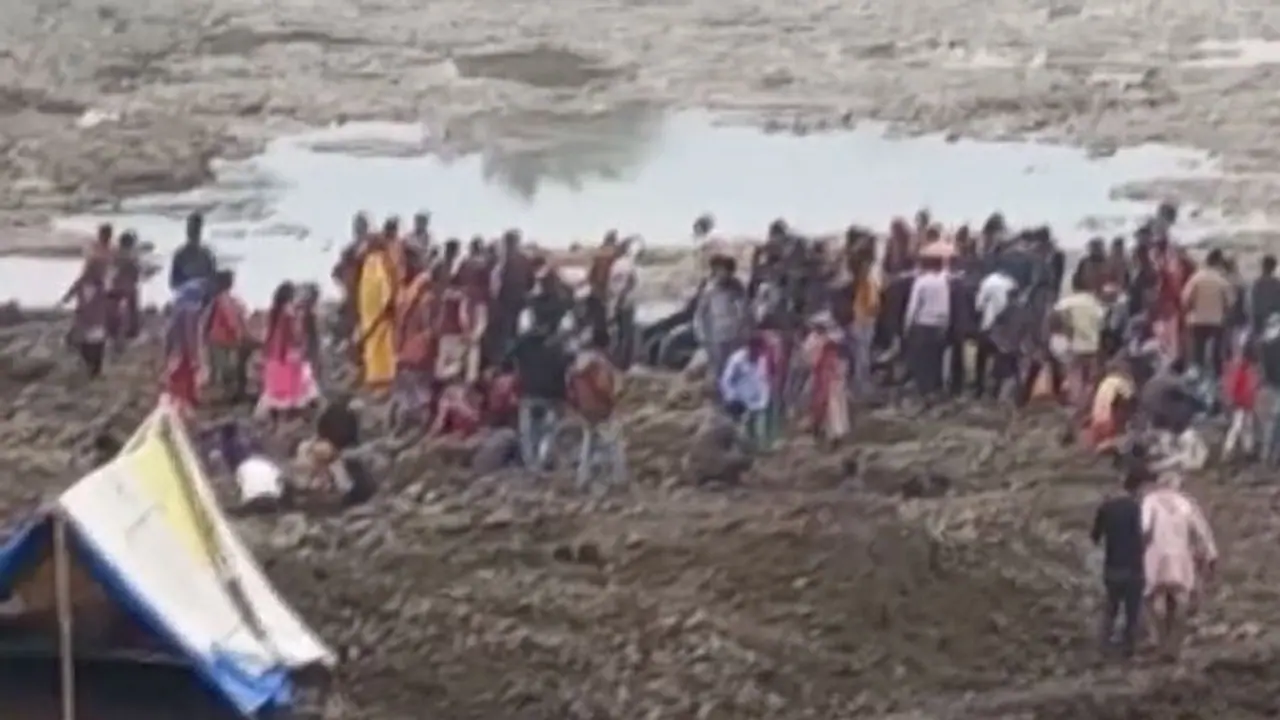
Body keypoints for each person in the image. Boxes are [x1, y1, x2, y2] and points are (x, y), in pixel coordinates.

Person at [1141, 472, 1218, 657]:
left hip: (1157, 554)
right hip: (1180, 554)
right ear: (1177, 485)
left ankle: (1161, 640)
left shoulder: (1150, 500)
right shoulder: (1186, 503)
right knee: (1181, 596)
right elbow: (1201, 529)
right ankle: (1175, 644)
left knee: (1158, 596)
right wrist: (1211, 552)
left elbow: (1144, 528)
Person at [1090, 463, 1150, 658]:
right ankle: (1128, 648)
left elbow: (1094, 537)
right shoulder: (1139, 510)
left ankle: (1104, 645)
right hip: (1134, 566)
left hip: (1112, 565)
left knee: (1111, 606)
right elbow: (1146, 536)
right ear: (1139, 488)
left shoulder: (1107, 507)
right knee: (1133, 611)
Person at [503, 314, 571, 471]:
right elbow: (566, 366)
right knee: (549, 431)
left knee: (528, 433)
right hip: (553, 396)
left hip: (530, 393)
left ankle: (531, 465)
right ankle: (542, 459)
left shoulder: (522, 344)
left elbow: (505, 359)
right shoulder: (556, 346)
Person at [566, 332, 626, 488]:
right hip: (602, 408)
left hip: (585, 410)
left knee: (588, 442)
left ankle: (583, 477)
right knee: (614, 441)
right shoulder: (599, 364)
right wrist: (613, 402)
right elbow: (603, 386)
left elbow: (570, 389)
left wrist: (577, 406)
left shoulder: (576, 365)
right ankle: (618, 477)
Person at [257, 282, 319, 420]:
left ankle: (280, 419)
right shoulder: (290, 312)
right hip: (288, 355)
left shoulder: (275, 312)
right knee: (297, 390)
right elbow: (295, 334)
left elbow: (271, 337)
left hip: (276, 356)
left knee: (278, 392)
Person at [695, 255, 749, 391]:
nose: (723, 274)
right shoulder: (710, 288)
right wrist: (702, 335)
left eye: (727, 270)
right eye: (720, 270)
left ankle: (734, 399)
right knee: (719, 368)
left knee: (735, 368)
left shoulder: (737, 287)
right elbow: (701, 313)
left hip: (735, 335)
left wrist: (744, 329)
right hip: (717, 336)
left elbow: (744, 310)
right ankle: (720, 399)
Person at [1182, 249, 1235, 377]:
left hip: (1197, 321)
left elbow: (1185, 299)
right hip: (1216, 321)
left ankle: (1197, 377)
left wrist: (1191, 311)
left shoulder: (1196, 278)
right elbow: (1230, 301)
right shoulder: (1221, 280)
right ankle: (1217, 379)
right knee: (1216, 354)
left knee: (1197, 354)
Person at [903, 255, 950, 398]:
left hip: (923, 323)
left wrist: (907, 324)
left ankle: (924, 390)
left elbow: (913, 305)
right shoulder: (943, 282)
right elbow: (946, 305)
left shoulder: (921, 282)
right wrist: (945, 323)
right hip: (939, 323)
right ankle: (935, 387)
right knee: (935, 358)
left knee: (922, 359)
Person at [356, 231, 398, 389]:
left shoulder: (379, 261)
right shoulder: (371, 262)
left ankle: (382, 383)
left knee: (381, 350)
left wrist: (383, 309)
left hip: (378, 317)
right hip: (371, 315)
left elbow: (383, 288)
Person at [719, 334, 773, 450]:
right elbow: (726, 381)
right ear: (750, 348)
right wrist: (733, 398)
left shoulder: (762, 359)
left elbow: (764, 380)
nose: (758, 353)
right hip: (740, 402)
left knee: (757, 431)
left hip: (758, 401)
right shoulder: (737, 360)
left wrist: (765, 399)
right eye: (757, 350)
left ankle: (757, 450)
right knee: (739, 432)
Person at [59, 258, 110, 379]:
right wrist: (64, 301)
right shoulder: (82, 282)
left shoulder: (101, 285)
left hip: (96, 318)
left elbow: (107, 301)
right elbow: (70, 294)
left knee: (96, 345)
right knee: (84, 344)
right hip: (84, 318)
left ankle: (95, 370)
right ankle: (90, 367)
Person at [205, 270, 250, 402]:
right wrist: (239, 332)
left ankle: (230, 393)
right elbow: (230, 318)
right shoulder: (225, 299)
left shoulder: (222, 299)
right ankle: (231, 393)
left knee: (226, 367)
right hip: (222, 338)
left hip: (221, 338)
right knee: (227, 367)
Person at [685, 400, 754, 486]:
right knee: (746, 458)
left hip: (693, 462)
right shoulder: (730, 424)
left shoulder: (705, 413)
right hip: (714, 464)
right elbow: (745, 445)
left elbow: (687, 429)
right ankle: (726, 479)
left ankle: (701, 477)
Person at [164, 279, 207, 412]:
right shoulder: (190, 311)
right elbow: (190, 334)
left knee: (178, 377)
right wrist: (194, 354)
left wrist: (167, 350)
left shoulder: (177, 311)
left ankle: (179, 400)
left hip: (176, 350)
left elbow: (169, 334)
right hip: (184, 351)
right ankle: (183, 402)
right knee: (184, 376)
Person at [107, 229, 141, 347]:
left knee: (114, 312)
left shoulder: (115, 254)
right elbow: (136, 275)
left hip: (116, 287)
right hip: (127, 288)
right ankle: (131, 331)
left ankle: (114, 331)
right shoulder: (131, 257)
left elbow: (111, 272)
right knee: (132, 307)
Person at [169, 212, 217, 291]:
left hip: (202, 298)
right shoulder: (180, 255)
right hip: (185, 298)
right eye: (191, 229)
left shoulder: (207, 255)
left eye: (195, 230)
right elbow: (173, 284)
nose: (193, 233)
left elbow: (213, 282)